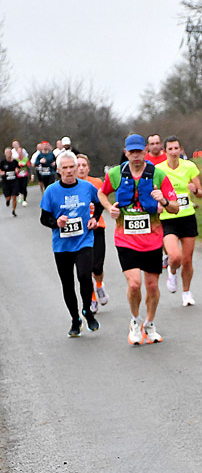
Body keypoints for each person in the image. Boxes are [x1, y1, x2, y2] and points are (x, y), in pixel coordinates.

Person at [98, 134, 179, 345]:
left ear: (145, 152)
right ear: (126, 153)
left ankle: (149, 323)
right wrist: (109, 208)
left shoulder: (158, 175)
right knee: (134, 284)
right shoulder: (115, 174)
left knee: (152, 286)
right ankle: (135, 321)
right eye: (131, 152)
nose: (136, 156)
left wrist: (163, 200)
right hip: (125, 239)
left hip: (152, 240)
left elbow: (175, 207)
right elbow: (102, 193)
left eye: (139, 151)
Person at [40, 151, 102, 337]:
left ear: (76, 168)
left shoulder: (87, 187)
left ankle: (87, 311)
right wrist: (56, 223)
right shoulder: (51, 191)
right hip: (62, 245)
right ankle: (75, 319)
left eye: (71, 167)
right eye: (64, 168)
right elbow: (44, 218)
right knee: (67, 284)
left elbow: (99, 203)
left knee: (84, 276)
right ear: (58, 170)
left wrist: (94, 218)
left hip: (84, 240)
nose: (68, 171)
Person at [157, 136, 202, 306]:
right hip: (168, 218)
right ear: (165, 151)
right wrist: (158, 203)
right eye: (170, 149)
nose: (174, 152)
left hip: (187, 217)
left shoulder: (189, 166)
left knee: (187, 260)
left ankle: (186, 292)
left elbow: (200, 193)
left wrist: (195, 189)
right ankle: (172, 270)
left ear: (181, 149)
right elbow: (153, 191)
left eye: (176, 148)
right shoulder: (159, 170)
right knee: (175, 256)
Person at [76, 154, 109, 313]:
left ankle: (99, 285)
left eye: (84, 165)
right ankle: (92, 299)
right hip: (79, 232)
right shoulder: (69, 186)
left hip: (97, 228)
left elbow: (103, 202)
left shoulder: (96, 183)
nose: (81, 168)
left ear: (88, 168)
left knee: (97, 266)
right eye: (78, 165)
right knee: (85, 267)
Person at [1, 147, 19, 216]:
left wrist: (17, 170)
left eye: (9, 152)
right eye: (7, 153)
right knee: (8, 197)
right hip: (6, 182)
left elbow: (18, 168)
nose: (9, 154)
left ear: (11, 153)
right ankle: (7, 200)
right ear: (5, 154)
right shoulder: (3, 162)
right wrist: (2, 172)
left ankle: (13, 210)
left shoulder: (15, 162)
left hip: (14, 181)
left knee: (14, 196)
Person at [12, 141, 30, 205]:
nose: (20, 153)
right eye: (18, 152)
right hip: (18, 175)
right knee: (19, 187)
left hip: (24, 174)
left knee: (24, 186)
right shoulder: (15, 160)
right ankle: (20, 195)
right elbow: (13, 167)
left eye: (21, 152)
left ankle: (24, 199)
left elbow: (28, 166)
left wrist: (31, 174)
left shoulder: (25, 159)